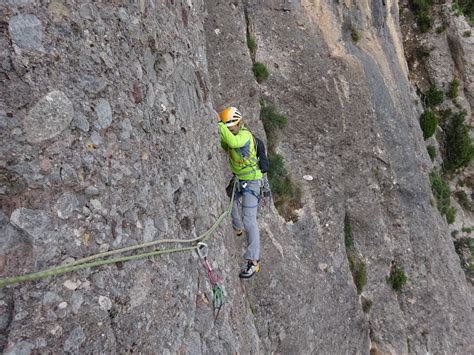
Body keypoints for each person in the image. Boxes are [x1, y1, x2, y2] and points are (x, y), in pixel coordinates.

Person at [217, 106, 262, 279]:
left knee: (250, 219)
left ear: (238, 123)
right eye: (228, 128)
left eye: (231, 127)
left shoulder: (245, 136)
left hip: (252, 181)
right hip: (239, 180)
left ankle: (253, 261)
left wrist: (220, 126)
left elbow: (234, 143)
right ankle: (237, 228)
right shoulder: (232, 135)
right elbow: (225, 144)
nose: (230, 130)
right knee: (229, 200)